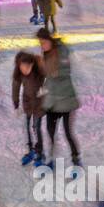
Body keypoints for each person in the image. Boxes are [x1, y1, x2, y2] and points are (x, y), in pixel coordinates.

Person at [38, 29, 82, 173]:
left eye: (43, 42)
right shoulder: (46, 54)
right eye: (40, 43)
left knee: (68, 132)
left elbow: (65, 70)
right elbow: (48, 78)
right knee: (50, 132)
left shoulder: (62, 51)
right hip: (52, 102)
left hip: (66, 100)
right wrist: (41, 93)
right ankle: (50, 159)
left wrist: (57, 73)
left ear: (49, 40)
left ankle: (76, 160)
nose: (42, 45)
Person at [11, 51, 46, 167]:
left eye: (27, 67)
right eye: (22, 67)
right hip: (27, 103)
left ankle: (40, 153)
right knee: (27, 127)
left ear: (32, 65)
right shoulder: (19, 73)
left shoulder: (39, 70)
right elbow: (15, 87)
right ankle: (31, 150)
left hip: (40, 103)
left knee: (36, 127)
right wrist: (16, 105)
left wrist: (46, 89)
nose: (24, 70)